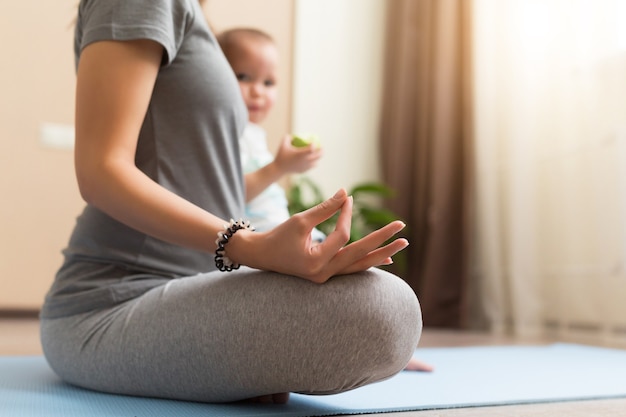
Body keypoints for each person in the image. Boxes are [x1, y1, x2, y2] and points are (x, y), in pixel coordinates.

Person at [40, 0, 422, 404]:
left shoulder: (193, 14)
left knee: (387, 309)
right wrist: (250, 246)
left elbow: (207, 184)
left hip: (194, 288)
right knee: (384, 310)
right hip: (107, 305)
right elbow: (102, 172)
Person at [217, 28, 325, 241]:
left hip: (276, 231)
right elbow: (229, 194)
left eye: (268, 82)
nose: (258, 91)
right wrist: (279, 167)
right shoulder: (228, 133)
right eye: (244, 77)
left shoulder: (253, 134)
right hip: (256, 240)